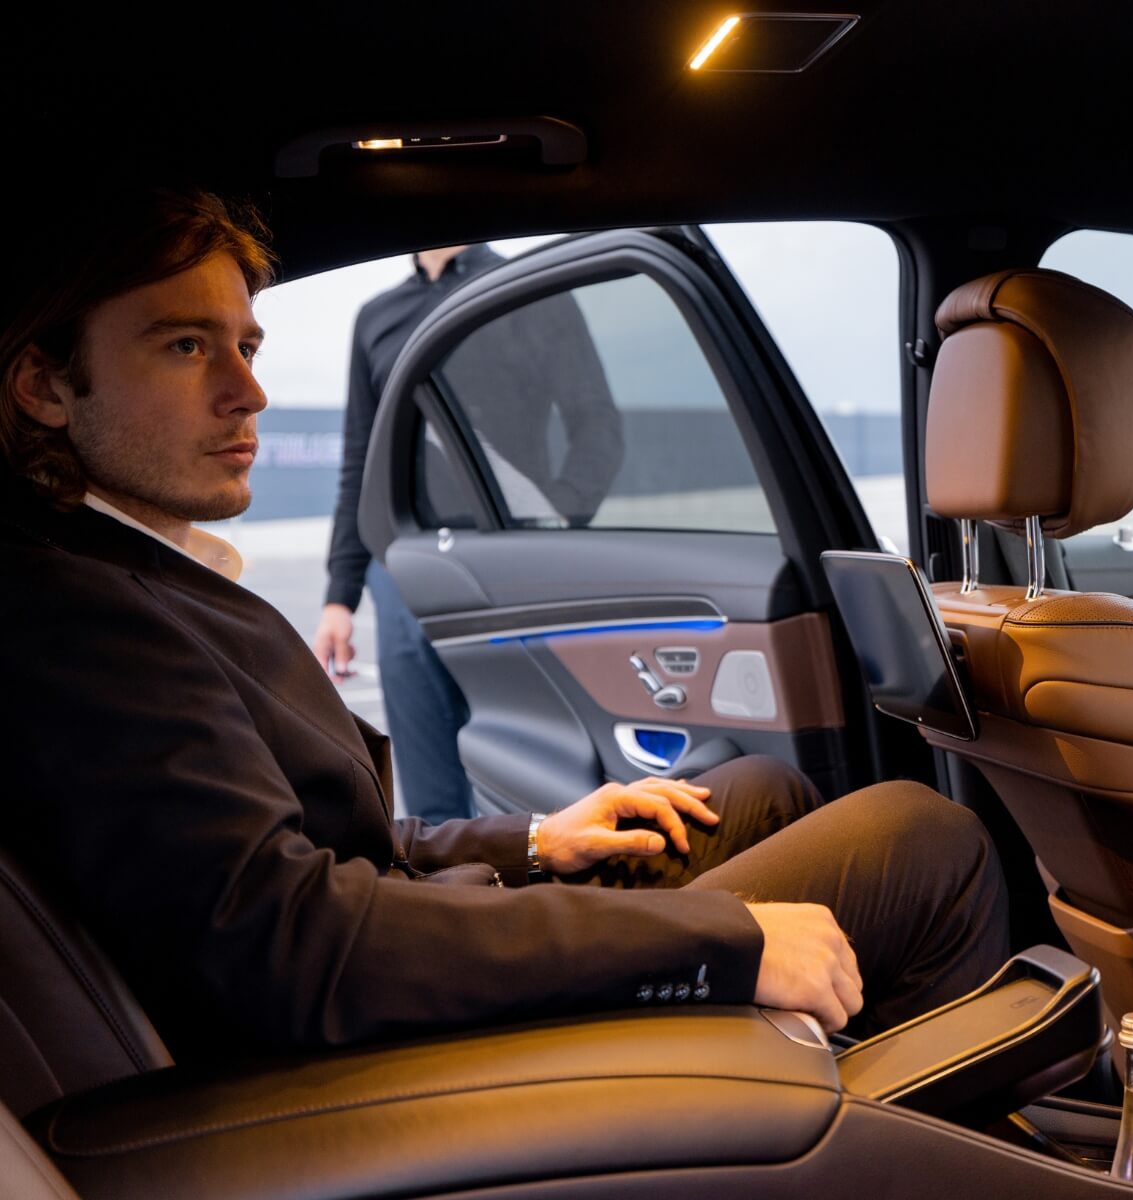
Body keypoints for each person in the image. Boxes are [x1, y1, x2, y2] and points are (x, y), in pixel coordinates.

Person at [0, 189, 1008, 1066]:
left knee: (749, 793)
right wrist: (726, 945)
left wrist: (536, 839)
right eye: (185, 345)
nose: (248, 391)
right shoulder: (80, 616)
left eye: (247, 346)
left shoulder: (133, 577)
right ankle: (866, 1145)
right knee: (922, 840)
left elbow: (315, 844)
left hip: (399, 954)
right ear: (45, 386)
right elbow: (288, 943)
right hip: (380, 1068)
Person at [313, 243, 502, 824]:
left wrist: (558, 519)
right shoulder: (378, 316)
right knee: (430, 794)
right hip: (403, 570)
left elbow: (594, 423)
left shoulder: (520, 288)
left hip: (503, 562)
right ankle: (452, 883)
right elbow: (361, 461)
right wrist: (340, 597)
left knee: (519, 765)